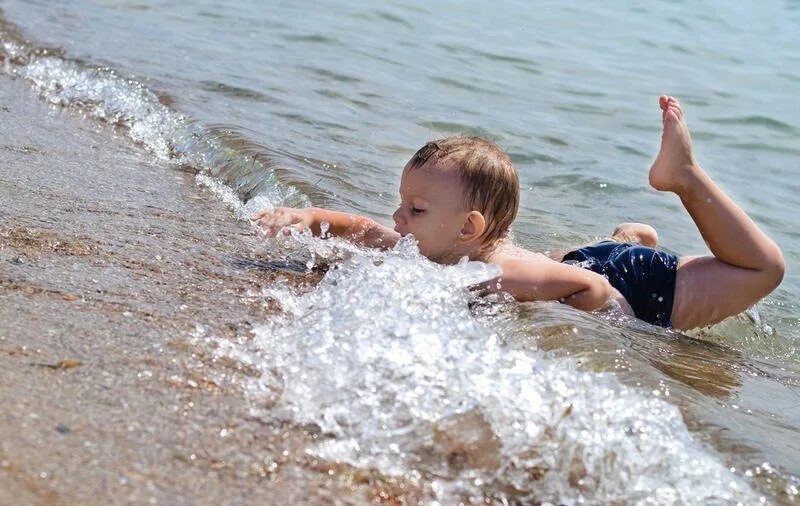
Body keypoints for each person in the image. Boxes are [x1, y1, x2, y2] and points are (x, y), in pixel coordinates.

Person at [250, 96, 784, 330]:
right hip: (586, 260)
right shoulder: (445, 245)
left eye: (414, 208)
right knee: (592, 257)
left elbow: (589, 288)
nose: (397, 217)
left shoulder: (502, 272)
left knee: (763, 270)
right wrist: (309, 214)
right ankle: (626, 237)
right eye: (402, 203)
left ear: (469, 228)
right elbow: (365, 230)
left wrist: (611, 318)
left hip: (644, 291)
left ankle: (683, 176)